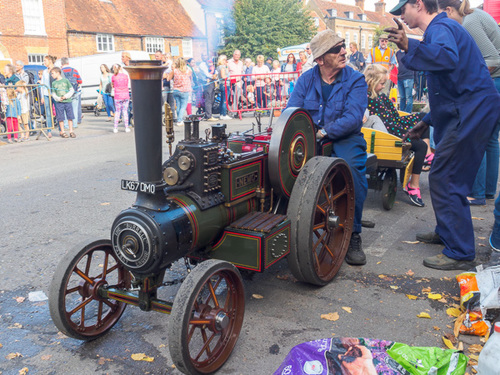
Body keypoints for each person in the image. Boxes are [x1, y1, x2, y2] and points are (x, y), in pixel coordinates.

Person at [386, 0, 500, 270]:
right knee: (447, 174)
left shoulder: (442, 27)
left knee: (446, 176)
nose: (402, 17)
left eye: (404, 10)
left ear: (420, 5)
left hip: (471, 111)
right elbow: (446, 88)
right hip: (470, 109)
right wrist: (426, 122)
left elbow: (447, 60)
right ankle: (448, 232)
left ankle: (460, 251)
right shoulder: (440, 30)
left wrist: (408, 45)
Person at [287, 29, 369, 266]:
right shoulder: (305, 80)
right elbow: (292, 112)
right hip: (312, 138)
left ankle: (354, 234)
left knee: (353, 171)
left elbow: (354, 118)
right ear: (321, 59)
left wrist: (323, 133)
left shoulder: (356, 80)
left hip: (344, 137)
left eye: (343, 46)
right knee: (287, 169)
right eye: (337, 49)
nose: (344, 51)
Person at [439, 0, 500, 206]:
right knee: (491, 139)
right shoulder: (474, 16)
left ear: (449, 10)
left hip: (494, 81)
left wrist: (473, 80)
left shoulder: (469, 21)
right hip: (497, 82)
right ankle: (489, 191)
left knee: (478, 137)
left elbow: (492, 59)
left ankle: (477, 193)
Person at [364, 64, 429, 207]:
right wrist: (407, 132)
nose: (383, 86)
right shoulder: (367, 99)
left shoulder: (381, 97)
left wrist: (412, 125)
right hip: (389, 136)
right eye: (381, 83)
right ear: (372, 82)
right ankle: (413, 186)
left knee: (424, 119)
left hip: (395, 127)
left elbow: (395, 117)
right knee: (421, 146)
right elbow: (385, 126)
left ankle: (429, 155)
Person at [50, 67, 75, 138]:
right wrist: (58, 98)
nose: (52, 75)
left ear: (58, 73)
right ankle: (63, 131)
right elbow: (53, 93)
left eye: (53, 73)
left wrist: (66, 96)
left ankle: (71, 131)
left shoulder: (66, 80)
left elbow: (71, 90)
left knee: (70, 116)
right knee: (60, 117)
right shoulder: (54, 83)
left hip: (67, 101)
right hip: (59, 102)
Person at [167, 58, 192, 126]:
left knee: (178, 105)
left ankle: (179, 119)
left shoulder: (174, 71)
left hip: (176, 90)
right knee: (183, 106)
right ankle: (179, 120)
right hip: (185, 90)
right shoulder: (188, 70)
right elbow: (190, 78)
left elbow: (168, 78)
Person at [61, 57, 82, 129]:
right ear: (68, 63)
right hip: (75, 92)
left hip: (65, 94)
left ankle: (66, 125)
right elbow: (80, 81)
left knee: (66, 110)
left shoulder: (60, 72)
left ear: (61, 63)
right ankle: (74, 124)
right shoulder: (74, 70)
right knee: (74, 109)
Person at [111, 64, 131, 133]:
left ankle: (115, 128)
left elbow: (112, 85)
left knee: (117, 112)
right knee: (125, 111)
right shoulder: (125, 76)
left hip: (117, 96)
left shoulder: (114, 76)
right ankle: (126, 127)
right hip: (125, 95)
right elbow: (127, 84)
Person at [40, 55, 57, 137]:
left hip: (55, 94)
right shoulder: (44, 71)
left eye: (45, 60)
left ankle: (61, 129)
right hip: (46, 94)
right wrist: (42, 96)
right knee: (48, 113)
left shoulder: (56, 69)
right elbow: (42, 84)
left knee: (58, 111)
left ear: (50, 61)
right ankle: (49, 131)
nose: (44, 62)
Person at [199, 56, 217, 121]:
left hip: (212, 82)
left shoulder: (210, 63)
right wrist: (213, 76)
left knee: (212, 99)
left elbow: (215, 71)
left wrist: (215, 75)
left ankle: (209, 114)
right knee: (208, 99)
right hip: (207, 83)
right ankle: (209, 116)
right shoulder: (202, 65)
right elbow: (207, 74)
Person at [216, 54, 232, 120]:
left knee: (223, 100)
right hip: (224, 84)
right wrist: (229, 78)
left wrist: (227, 66)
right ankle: (224, 114)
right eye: (225, 59)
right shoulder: (222, 67)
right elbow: (223, 76)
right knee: (224, 100)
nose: (226, 61)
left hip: (222, 84)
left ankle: (222, 114)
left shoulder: (221, 67)